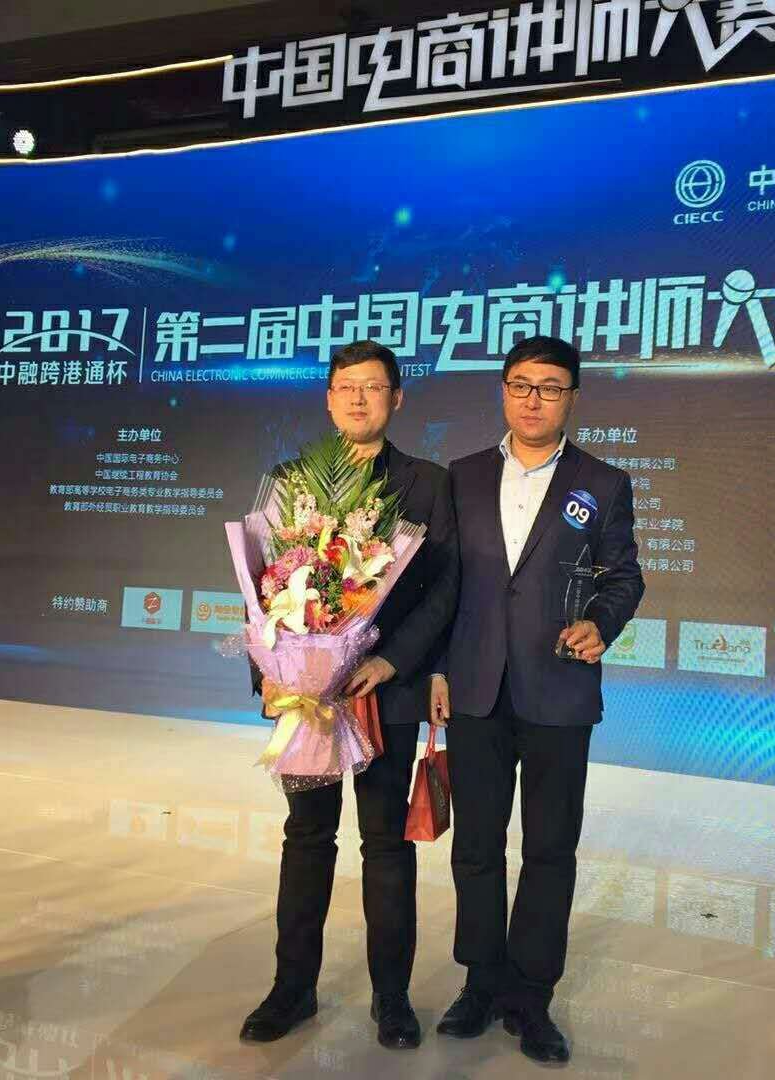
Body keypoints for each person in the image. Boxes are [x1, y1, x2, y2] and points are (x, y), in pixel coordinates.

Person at [430, 335, 644, 1064]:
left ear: (571, 398)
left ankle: (532, 995)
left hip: (558, 689)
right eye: (522, 384)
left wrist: (601, 623)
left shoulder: (603, 482)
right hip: (476, 688)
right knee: (476, 846)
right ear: (503, 390)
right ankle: (479, 982)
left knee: (550, 849)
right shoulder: (461, 477)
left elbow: (625, 576)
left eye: (550, 387)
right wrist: (437, 671)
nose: (534, 400)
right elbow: (442, 585)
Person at [239, 340, 458, 1050]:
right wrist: (276, 670)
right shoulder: (289, 480)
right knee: (306, 837)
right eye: (345, 387)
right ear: (328, 398)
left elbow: (444, 589)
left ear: (398, 398)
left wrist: (392, 663)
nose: (358, 398)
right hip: (307, 695)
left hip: (383, 693)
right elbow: (261, 584)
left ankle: (392, 998)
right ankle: (291, 989)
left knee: (385, 845)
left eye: (373, 386)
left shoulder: (427, 484)